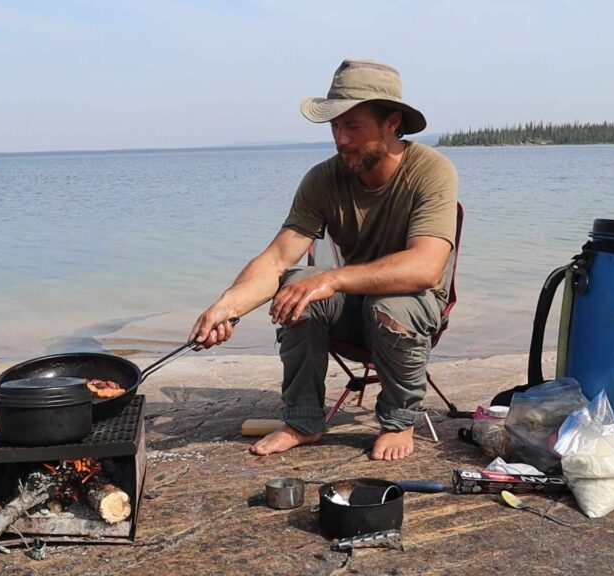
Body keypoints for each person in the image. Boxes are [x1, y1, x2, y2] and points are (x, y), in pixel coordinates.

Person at [189, 58, 458, 461]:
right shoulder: (322, 179)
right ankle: (302, 421)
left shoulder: (431, 171)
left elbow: (426, 267)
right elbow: (277, 259)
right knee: (298, 285)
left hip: (412, 307)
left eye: (353, 126)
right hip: (352, 311)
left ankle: (399, 420)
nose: (341, 139)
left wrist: (331, 280)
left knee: (385, 302)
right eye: (334, 126)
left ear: (392, 122)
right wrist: (225, 307)